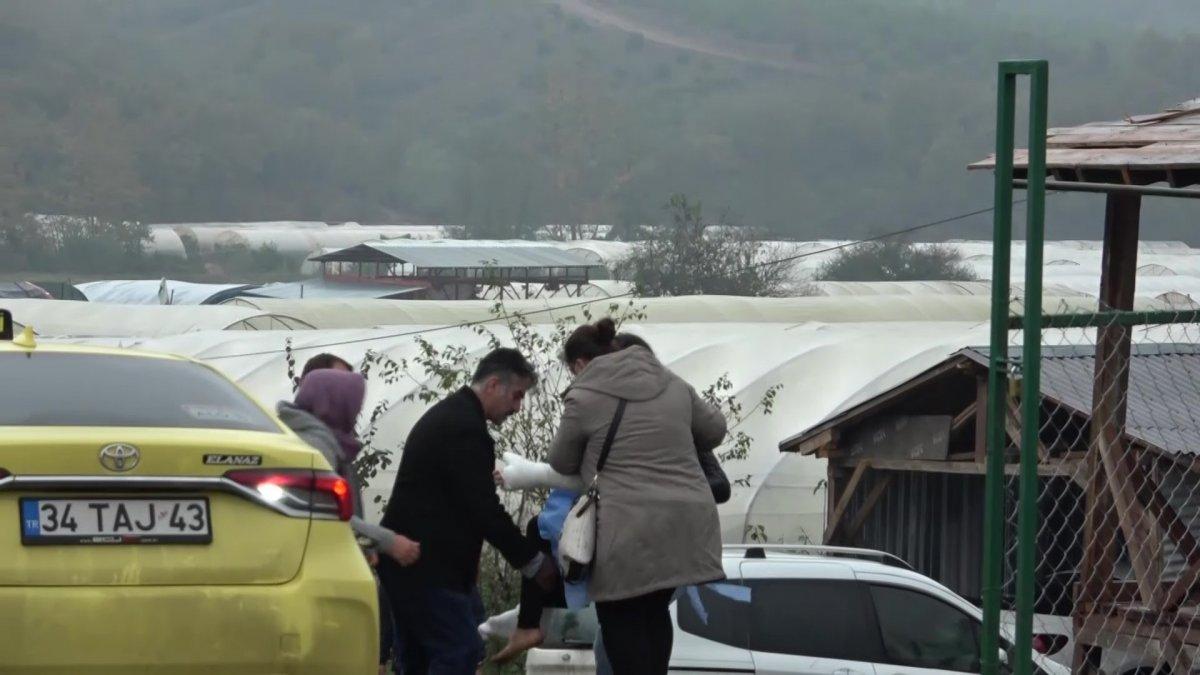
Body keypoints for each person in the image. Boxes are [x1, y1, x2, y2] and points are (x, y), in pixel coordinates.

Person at [549, 319, 726, 675]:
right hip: (684, 527)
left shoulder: (583, 396)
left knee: (620, 621)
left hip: (625, 531)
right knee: (654, 613)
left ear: (581, 364)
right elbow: (715, 429)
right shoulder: (672, 382)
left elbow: (561, 460)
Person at [377, 347, 559, 675]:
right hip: (428, 567)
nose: (518, 408)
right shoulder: (464, 429)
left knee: (418, 659)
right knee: (459, 651)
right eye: (516, 396)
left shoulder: (451, 417)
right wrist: (532, 562)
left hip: (412, 566)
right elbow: (483, 509)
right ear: (492, 385)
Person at [275, 367, 420, 675]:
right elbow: (324, 513)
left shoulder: (307, 436)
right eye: (353, 404)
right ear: (335, 403)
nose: (356, 413)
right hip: (314, 574)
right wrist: (387, 541)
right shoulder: (317, 445)